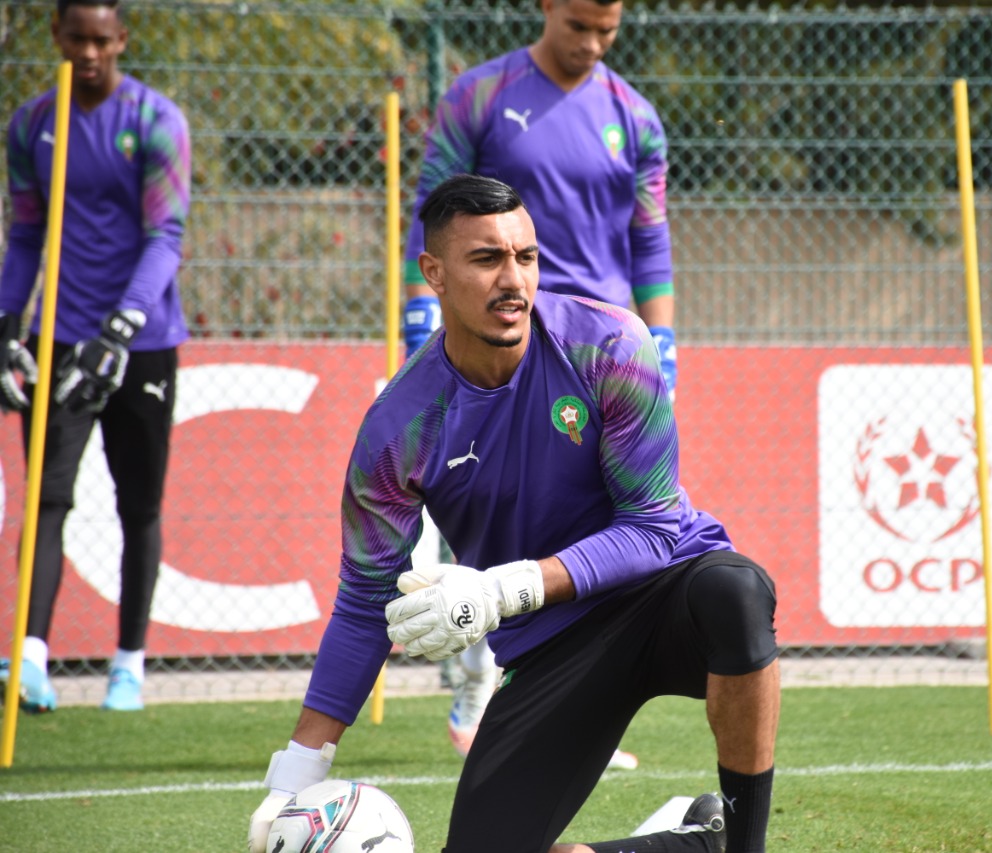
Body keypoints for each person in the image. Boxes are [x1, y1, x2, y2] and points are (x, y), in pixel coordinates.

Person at [248, 175, 778, 853]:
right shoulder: (398, 427)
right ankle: (700, 844)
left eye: (525, 257)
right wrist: (295, 775)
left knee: (736, 590)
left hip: (665, 591)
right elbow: (363, 602)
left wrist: (504, 589)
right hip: (552, 641)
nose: (513, 280)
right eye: (486, 259)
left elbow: (651, 529)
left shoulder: (609, 344)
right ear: (434, 273)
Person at [402, 0, 677, 766]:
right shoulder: (480, 96)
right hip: (502, 341)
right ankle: (475, 678)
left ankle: (577, 712)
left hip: (601, 356)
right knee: (485, 512)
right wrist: (421, 316)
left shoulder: (636, 117)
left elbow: (650, 239)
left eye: (608, 30)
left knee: (603, 533)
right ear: (549, 6)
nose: (592, 43)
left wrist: (662, 343)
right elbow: (430, 209)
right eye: (579, 25)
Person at [0, 0, 190, 713]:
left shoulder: (155, 120)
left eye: (101, 40)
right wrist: (6, 321)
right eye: (75, 38)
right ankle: (29, 658)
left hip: (142, 341)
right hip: (59, 338)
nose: (87, 53)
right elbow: (26, 234)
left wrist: (121, 326)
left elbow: (166, 235)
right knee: (47, 497)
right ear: (55, 35)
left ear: (121, 40)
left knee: (138, 502)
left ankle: (127, 666)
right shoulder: (31, 124)